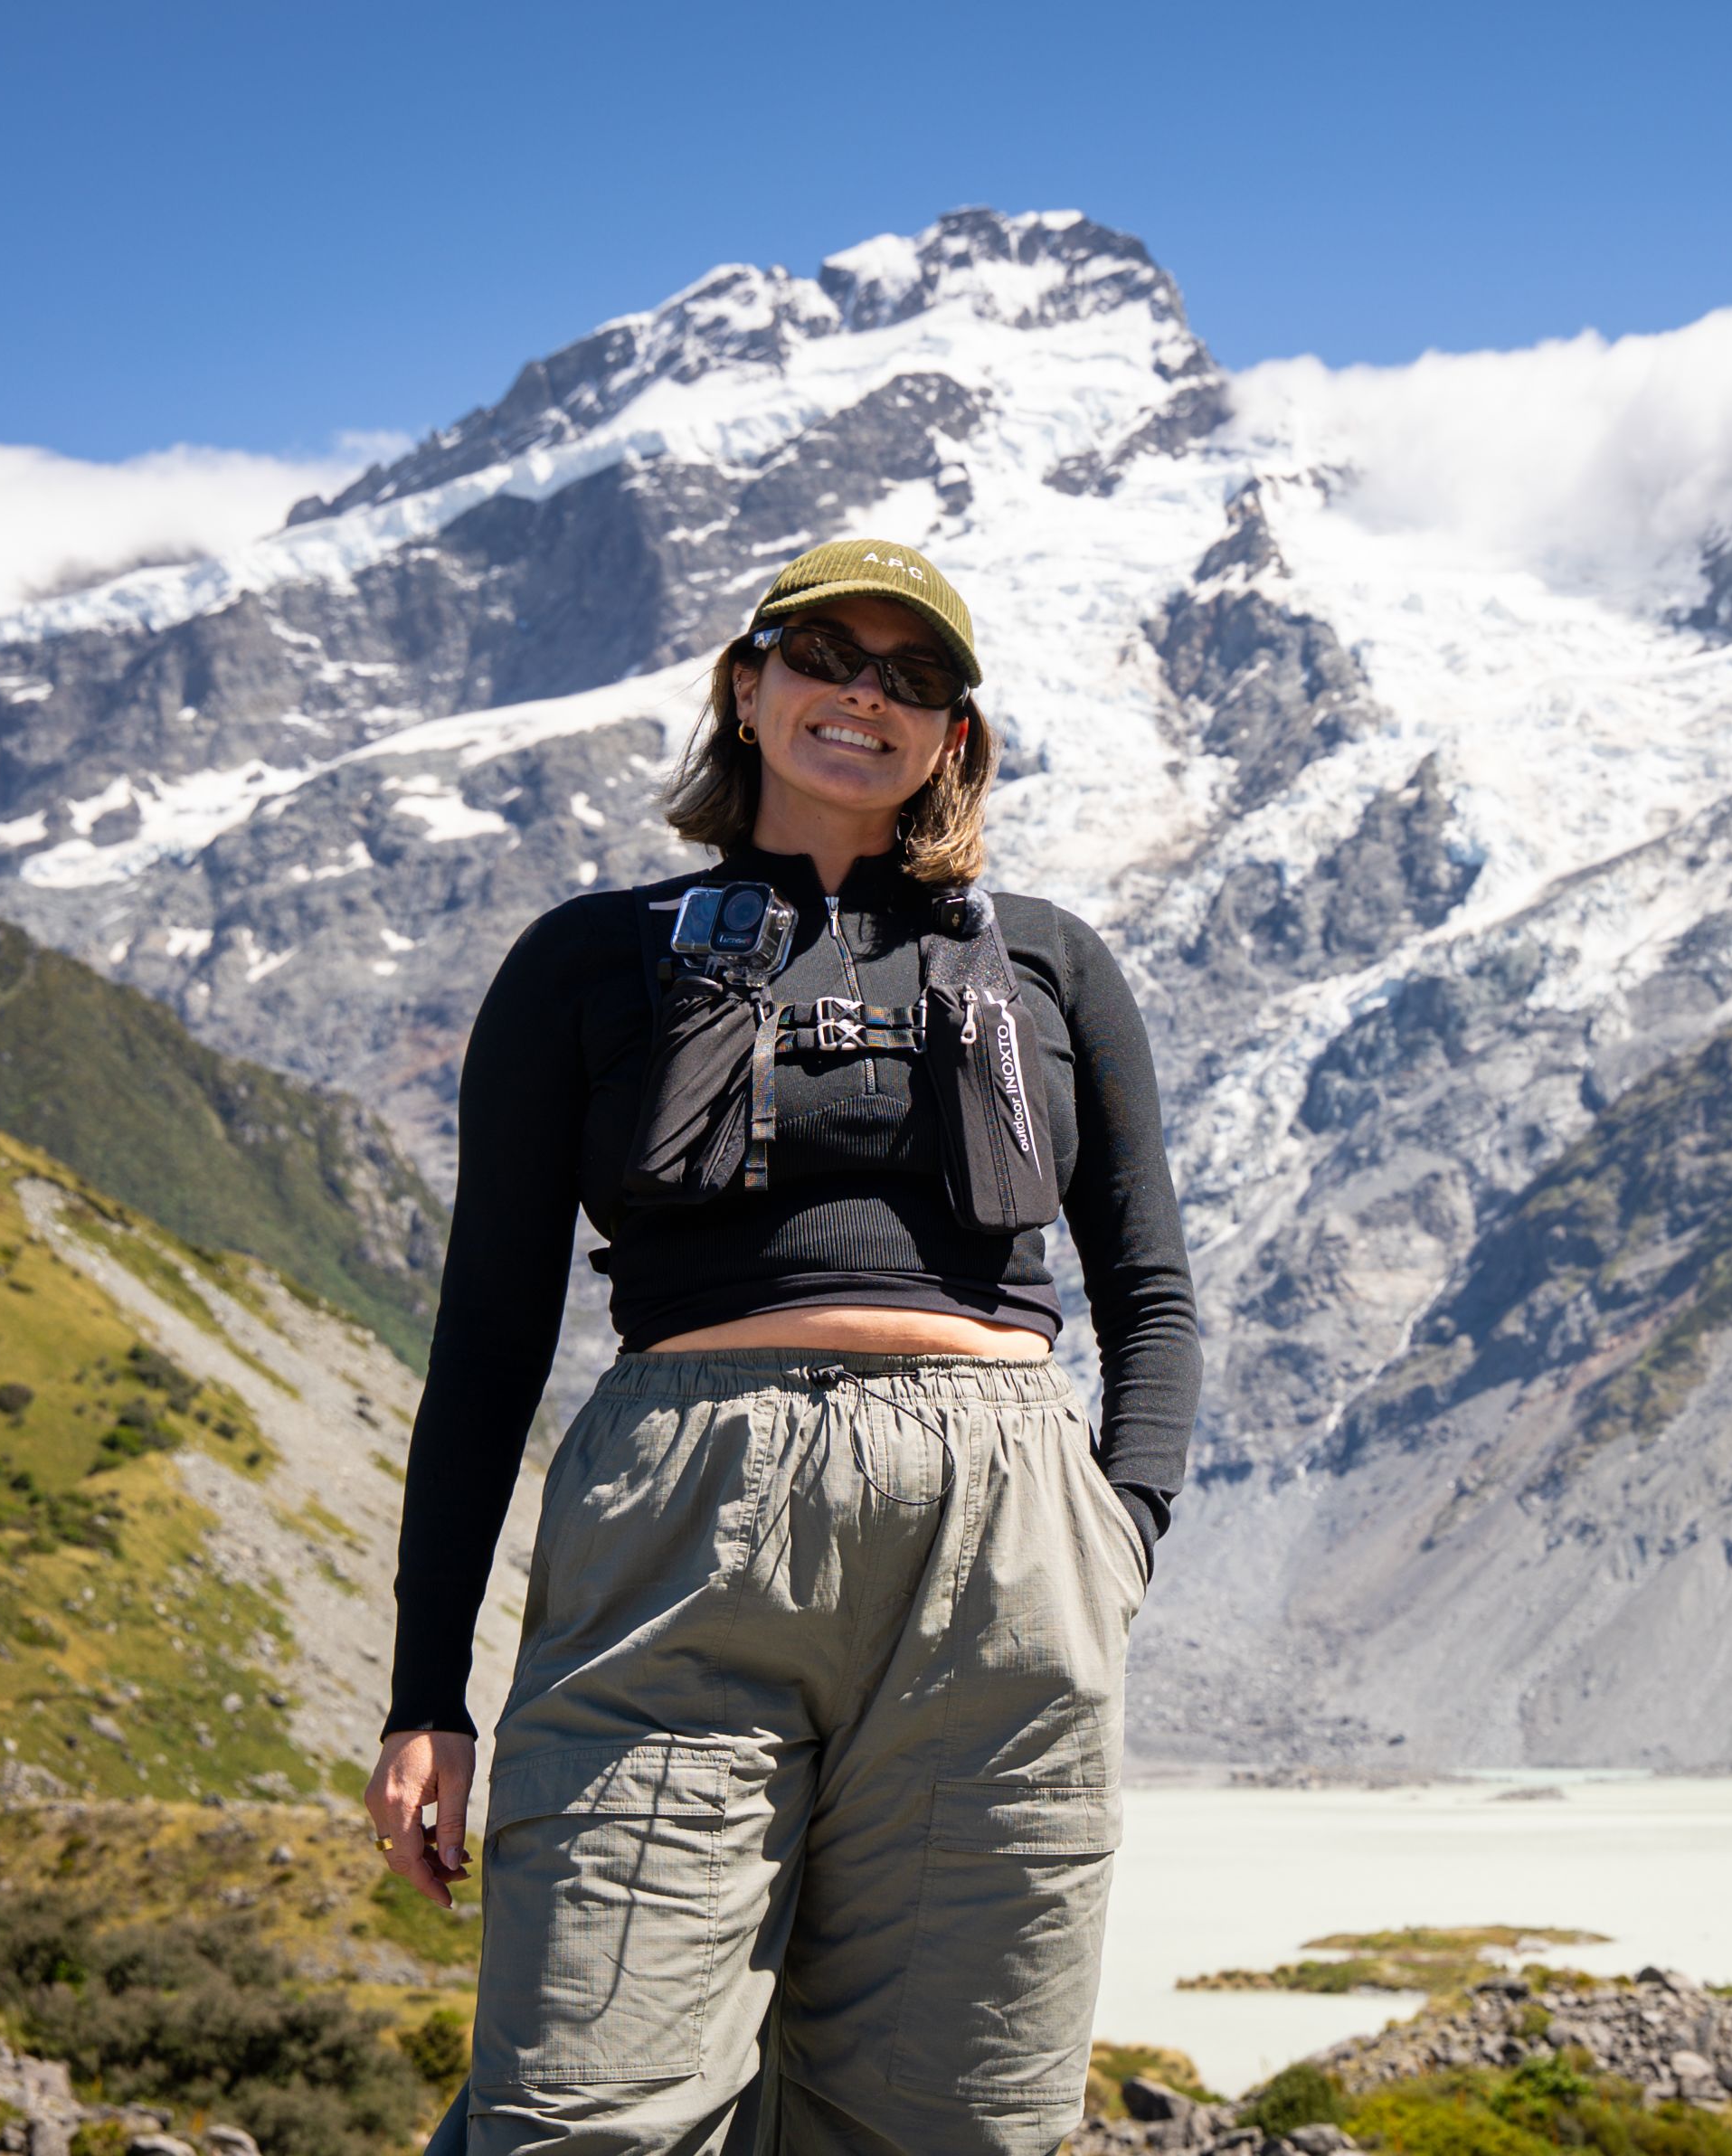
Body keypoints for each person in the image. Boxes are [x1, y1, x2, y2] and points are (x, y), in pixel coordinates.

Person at [364, 537, 1198, 2156]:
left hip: (1009, 1540)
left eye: (915, 678)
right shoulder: (585, 963)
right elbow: (486, 1337)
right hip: (686, 1517)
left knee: (952, 2121)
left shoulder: (1051, 963)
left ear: (954, 733)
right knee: (585, 2110)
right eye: (827, 655)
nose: (864, 697)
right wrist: (424, 1696)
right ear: (747, 689)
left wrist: (1119, 1539)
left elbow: (1149, 1291)